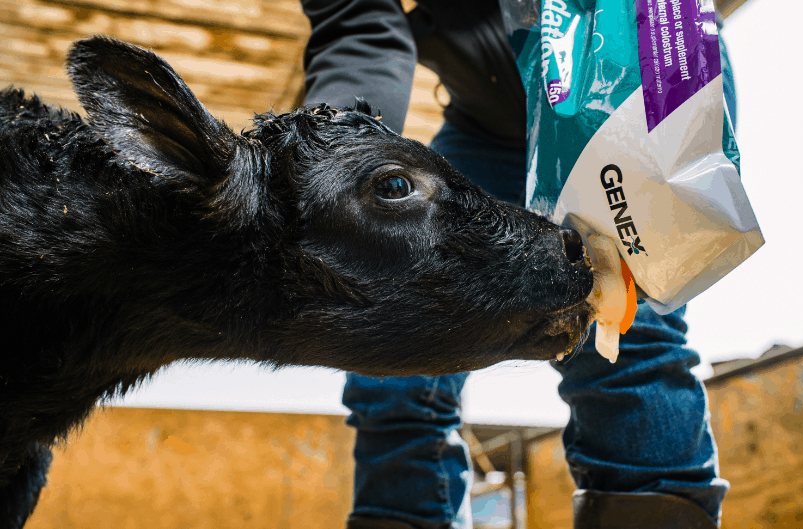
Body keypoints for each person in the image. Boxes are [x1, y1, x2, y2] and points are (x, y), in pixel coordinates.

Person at [299, 1, 737, 527]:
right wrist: (319, 160)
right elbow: (357, 22)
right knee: (390, 325)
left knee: (621, 330)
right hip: (489, 125)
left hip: (630, 78)